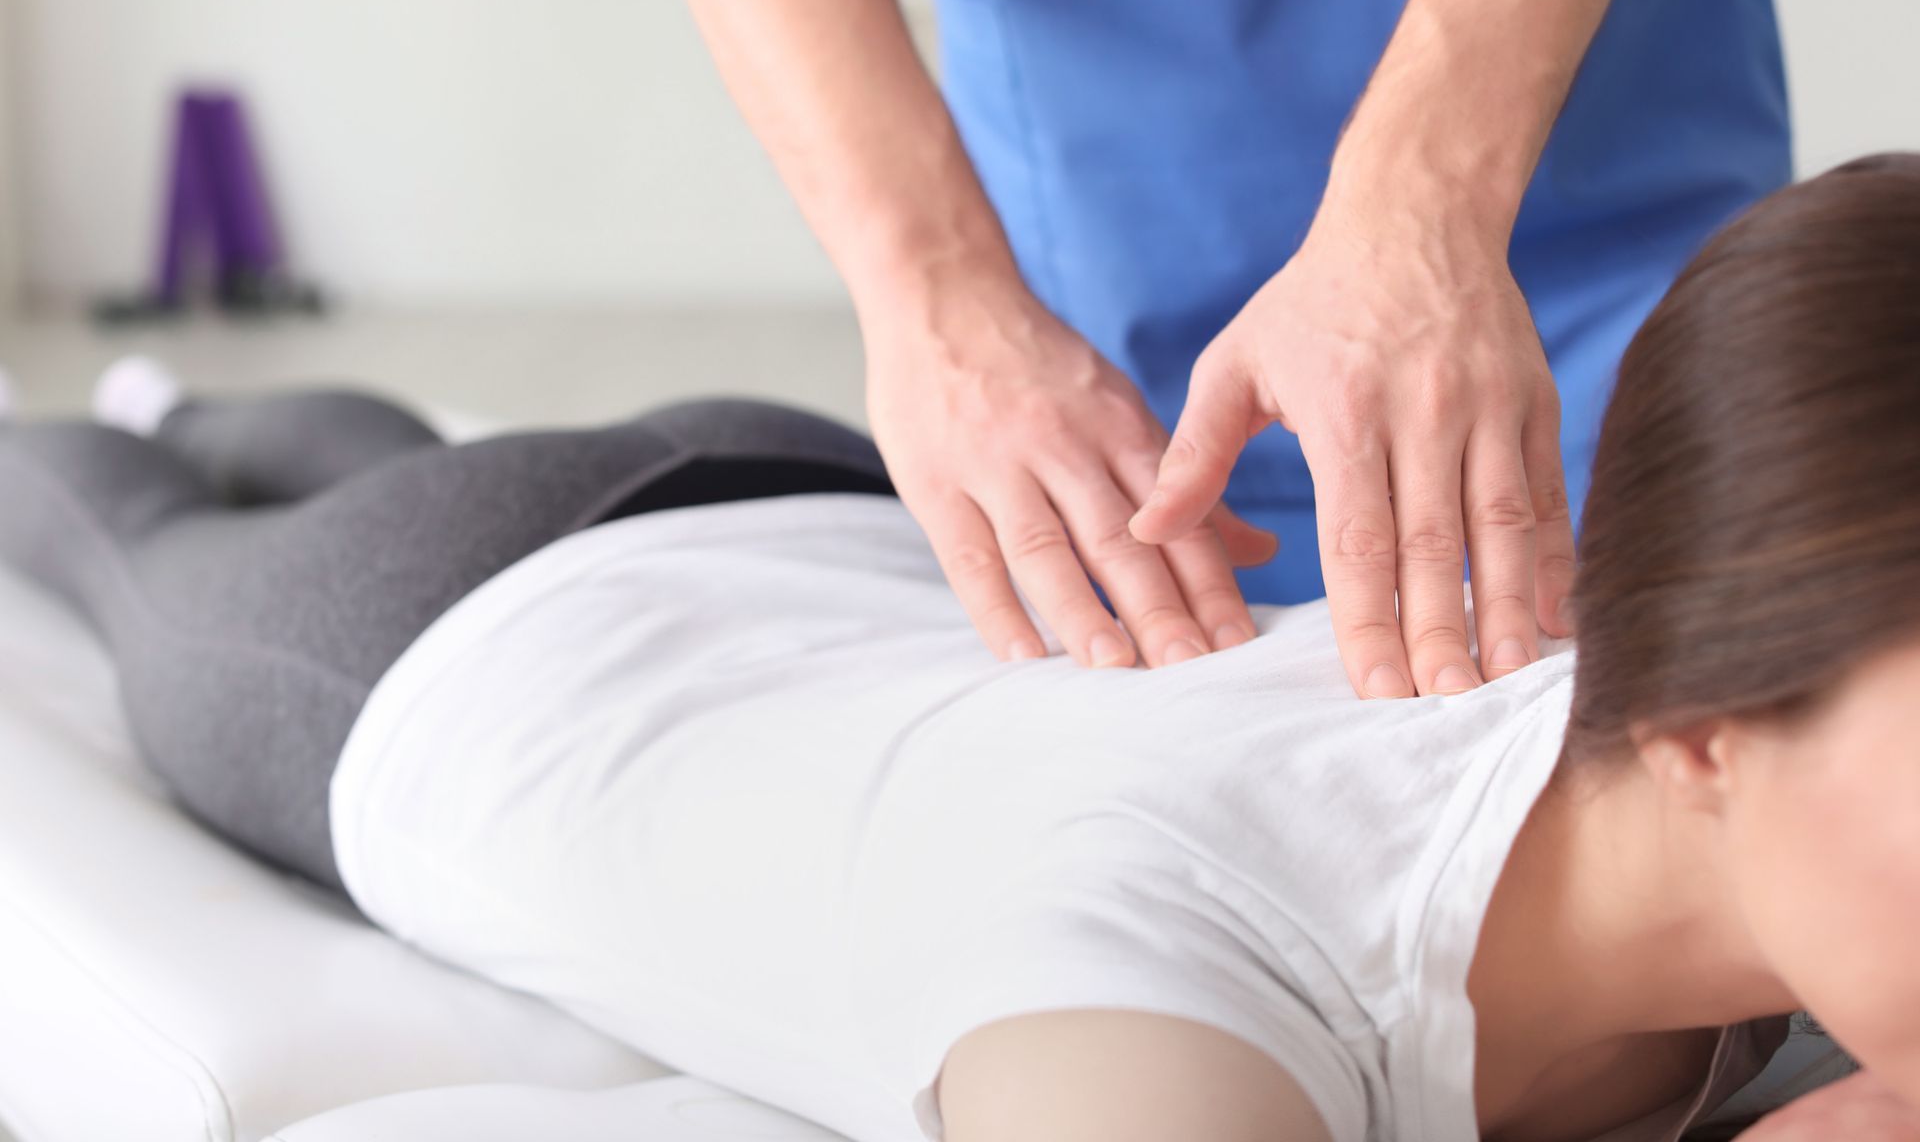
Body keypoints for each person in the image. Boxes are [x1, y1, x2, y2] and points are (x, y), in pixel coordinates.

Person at [0, 157, 1913, 1141]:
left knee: (344, 438)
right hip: (472, 633)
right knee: (121, 511)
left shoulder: (1755, 783)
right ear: (1700, 722)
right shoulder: (1163, 1025)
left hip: (855, 545)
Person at [627, 0, 1791, 704]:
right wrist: (936, 291)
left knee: (1704, 703)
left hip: (1580, 173)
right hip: (1108, 265)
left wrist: (1426, 207)